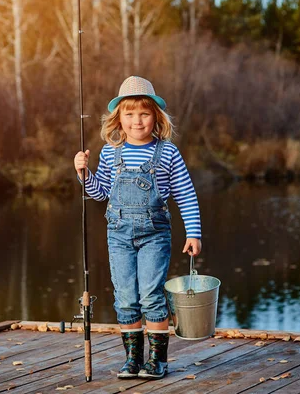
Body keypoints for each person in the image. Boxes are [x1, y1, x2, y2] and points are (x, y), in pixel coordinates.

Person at [74, 76, 202, 380]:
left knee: (151, 296)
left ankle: (158, 361)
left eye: (144, 113)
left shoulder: (168, 152)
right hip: (118, 234)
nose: (137, 121)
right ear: (119, 118)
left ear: (155, 117)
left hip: (155, 234)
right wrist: (83, 173)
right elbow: (100, 193)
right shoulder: (109, 152)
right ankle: (133, 359)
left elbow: (186, 194)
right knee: (126, 297)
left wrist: (193, 233)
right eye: (129, 114)